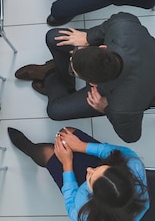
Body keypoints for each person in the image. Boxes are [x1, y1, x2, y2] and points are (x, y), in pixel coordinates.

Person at [14, 12, 155, 143]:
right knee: (54, 37)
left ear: (93, 84)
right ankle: (62, 81)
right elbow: (113, 23)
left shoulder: (122, 107)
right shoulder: (122, 25)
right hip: (138, 54)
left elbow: (131, 137)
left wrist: (106, 108)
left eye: (73, 70)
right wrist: (88, 37)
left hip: (136, 91)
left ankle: (51, 74)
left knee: (55, 110)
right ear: (103, 48)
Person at [8, 126, 149, 221]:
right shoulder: (133, 164)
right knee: (66, 133)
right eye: (101, 168)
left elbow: (70, 199)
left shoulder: (85, 214)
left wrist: (66, 163)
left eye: (91, 177)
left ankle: (28, 147)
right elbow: (111, 151)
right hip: (110, 192)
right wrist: (80, 146)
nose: (90, 169)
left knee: (47, 152)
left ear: (93, 197)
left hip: (84, 191)